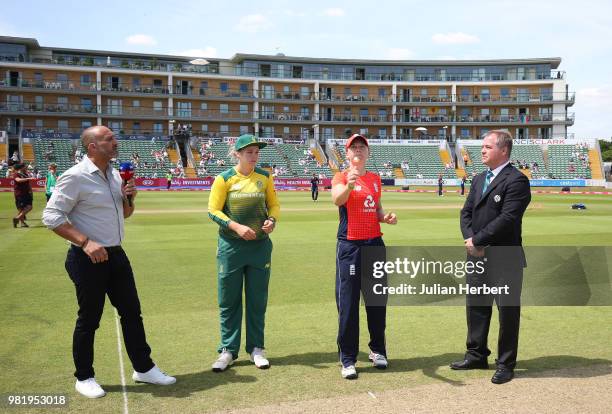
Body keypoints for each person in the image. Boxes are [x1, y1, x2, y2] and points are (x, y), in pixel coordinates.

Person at [42, 126, 175, 399]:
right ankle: (84, 376)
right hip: (86, 257)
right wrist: (85, 242)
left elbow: (124, 214)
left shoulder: (114, 174)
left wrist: (130, 198)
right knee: (89, 319)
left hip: (116, 254)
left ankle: (144, 368)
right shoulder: (75, 177)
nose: (115, 142)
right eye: (109, 139)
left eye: (114, 138)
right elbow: (51, 216)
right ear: (92, 146)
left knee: (132, 314)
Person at [452, 129, 531, 385]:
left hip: (505, 258)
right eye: (482, 146)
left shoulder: (517, 180)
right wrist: (470, 240)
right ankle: (476, 354)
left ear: (503, 150)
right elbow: (466, 213)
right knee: (476, 307)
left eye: (487, 146)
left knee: (507, 311)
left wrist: (478, 240)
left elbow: (508, 219)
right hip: (476, 256)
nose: (482, 150)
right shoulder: (478, 179)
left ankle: (506, 363)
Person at [207, 134, 280, 372]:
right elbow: (213, 211)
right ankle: (228, 350)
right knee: (229, 300)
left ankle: (256, 349)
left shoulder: (265, 177)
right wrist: (236, 227)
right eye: (249, 152)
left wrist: (271, 220)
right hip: (231, 248)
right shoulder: (224, 179)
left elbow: (274, 205)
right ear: (237, 154)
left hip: (260, 247)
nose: (254, 156)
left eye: (256, 152)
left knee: (257, 300)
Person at [331, 133, 397, 380]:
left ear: (367, 153)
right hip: (350, 246)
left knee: (377, 301)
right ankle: (347, 358)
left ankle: (377, 350)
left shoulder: (375, 179)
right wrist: (348, 184)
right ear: (347, 154)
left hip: (375, 244)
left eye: (362, 147)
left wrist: (385, 217)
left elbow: (376, 207)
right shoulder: (341, 175)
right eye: (353, 147)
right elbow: (336, 199)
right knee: (348, 304)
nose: (358, 150)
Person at [12, 163, 37, 228]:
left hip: (27, 193)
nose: (26, 168)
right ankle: (22, 223)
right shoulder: (16, 174)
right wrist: (29, 179)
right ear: (21, 167)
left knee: (29, 207)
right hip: (20, 194)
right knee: (21, 209)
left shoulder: (25, 174)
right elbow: (18, 180)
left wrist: (31, 191)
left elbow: (28, 185)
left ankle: (17, 218)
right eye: (25, 167)